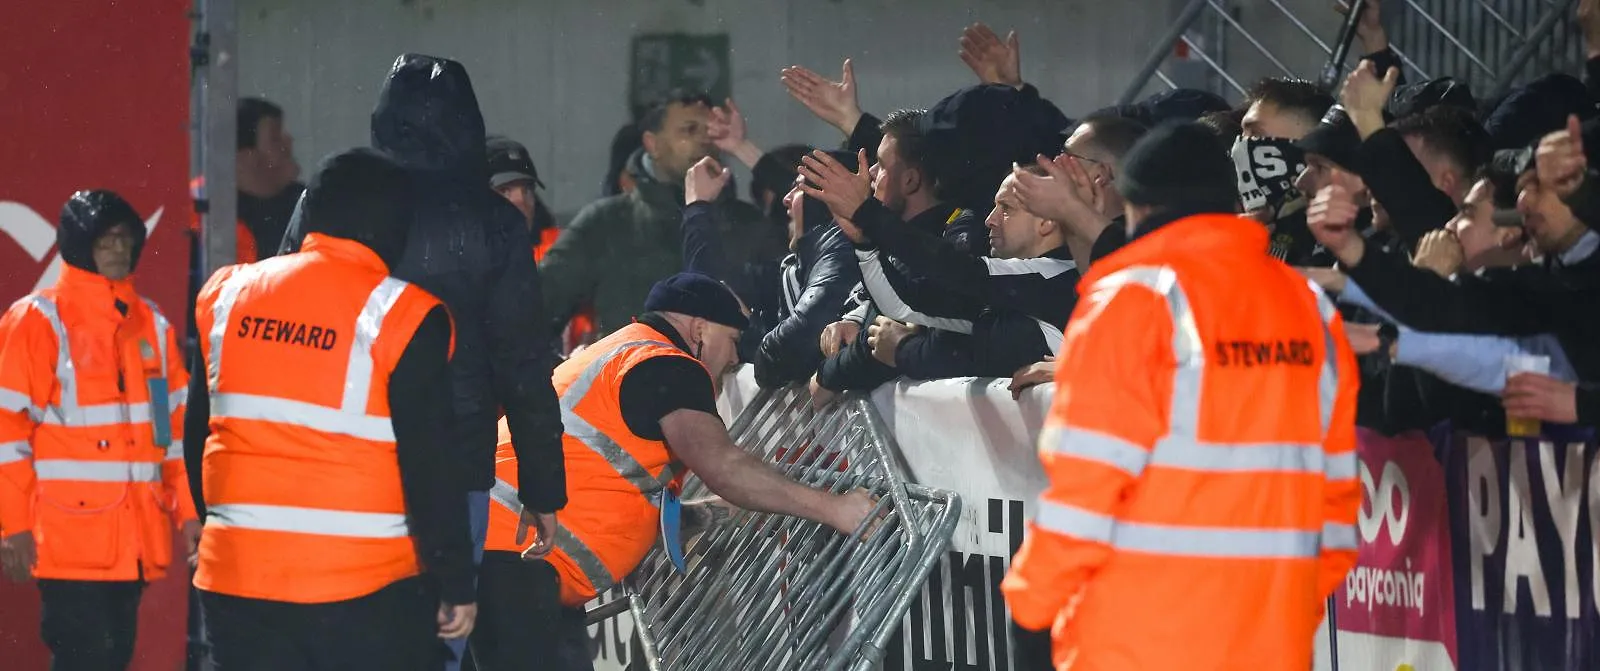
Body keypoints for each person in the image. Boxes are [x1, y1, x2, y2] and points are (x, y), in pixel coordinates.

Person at [1000, 122, 1360, 670]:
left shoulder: (1131, 299)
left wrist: (1030, 608)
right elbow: (1337, 498)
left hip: (1135, 643)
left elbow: (1087, 489)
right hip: (1269, 643)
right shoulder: (1308, 306)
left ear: (1139, 208)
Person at [469, 272, 878, 671]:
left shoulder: (621, 353)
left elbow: (605, 488)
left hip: (500, 561)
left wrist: (719, 512)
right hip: (513, 569)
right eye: (733, 341)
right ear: (699, 329)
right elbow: (723, 464)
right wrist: (836, 509)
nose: (736, 358)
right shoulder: (667, 365)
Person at [187, 148, 475, 669]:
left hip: (237, 582)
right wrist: (454, 577)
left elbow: (197, 432)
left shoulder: (228, 295)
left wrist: (215, 530)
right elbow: (430, 461)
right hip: (365, 592)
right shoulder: (405, 314)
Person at [0, 190, 199, 670]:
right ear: (79, 245)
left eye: (125, 240)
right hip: (69, 544)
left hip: (130, 542)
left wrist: (189, 515)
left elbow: (173, 436)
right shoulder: (39, 320)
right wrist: (14, 526)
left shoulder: (150, 324)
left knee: (111, 659)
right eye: (105, 240)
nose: (118, 250)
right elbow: (6, 429)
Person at [540, 90, 775, 336]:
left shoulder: (749, 223)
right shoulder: (606, 222)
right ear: (653, 144)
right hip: (632, 371)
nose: (704, 139)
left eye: (711, 131)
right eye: (689, 130)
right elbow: (537, 311)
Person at [488, 135, 595, 353]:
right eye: (505, 191)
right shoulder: (460, 261)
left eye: (527, 190)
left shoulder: (561, 251)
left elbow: (589, 326)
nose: (521, 203)